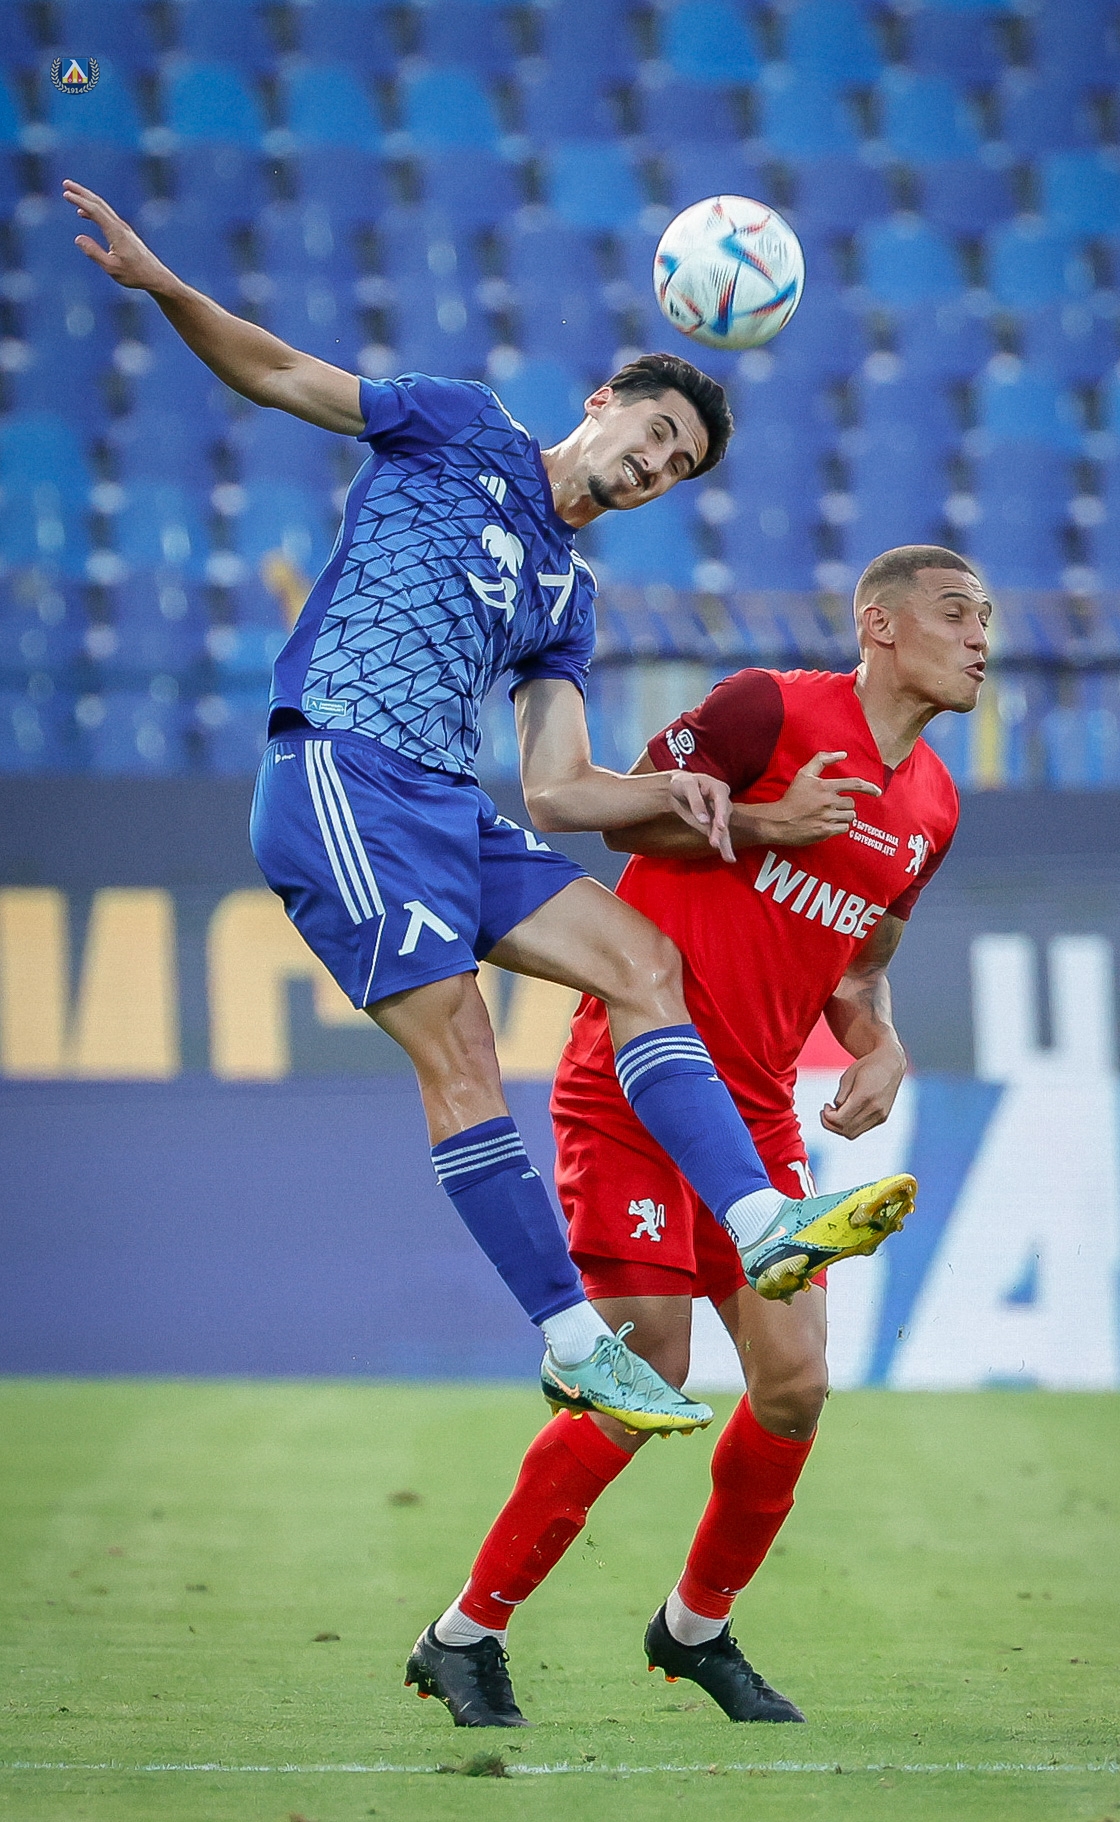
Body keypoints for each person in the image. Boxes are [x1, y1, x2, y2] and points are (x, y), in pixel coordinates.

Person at [63, 180, 908, 1437]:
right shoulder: (460, 426)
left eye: (678, 466)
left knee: (643, 960)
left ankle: (759, 1222)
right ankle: (573, 1341)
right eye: (655, 433)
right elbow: (284, 375)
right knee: (461, 1047)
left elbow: (561, 789)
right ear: (602, 403)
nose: (655, 466)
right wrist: (167, 286)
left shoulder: (568, 597)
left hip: (448, 805)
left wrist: (686, 796)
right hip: (340, 776)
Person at [405, 547, 989, 1727]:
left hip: (758, 1109)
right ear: (879, 624)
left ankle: (694, 1626)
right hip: (633, 1081)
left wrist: (879, 1042)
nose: (982, 637)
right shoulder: (766, 707)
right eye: (957, 612)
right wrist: (769, 820)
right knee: (646, 1373)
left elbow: (860, 961)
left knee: (796, 1383)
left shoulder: (934, 805)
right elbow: (623, 820)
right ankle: (464, 1635)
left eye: (987, 620)